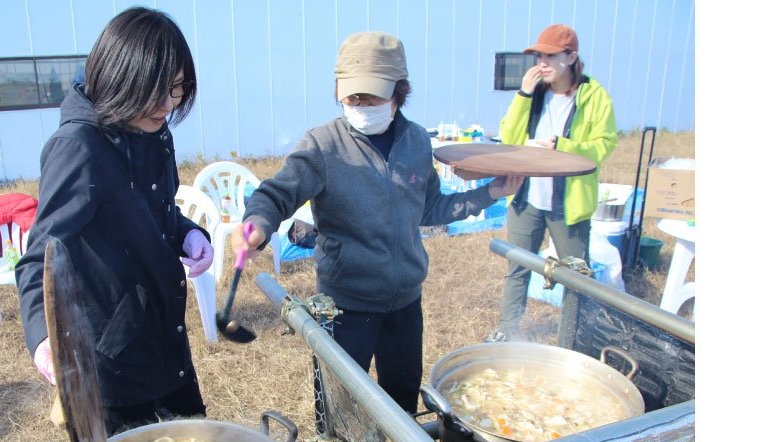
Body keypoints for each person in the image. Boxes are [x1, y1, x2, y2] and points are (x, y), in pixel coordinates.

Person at [229, 31, 522, 413]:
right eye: (352, 96)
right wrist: (259, 223)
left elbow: (430, 207)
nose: (361, 104)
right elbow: (275, 193)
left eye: (372, 95)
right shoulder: (323, 145)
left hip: (405, 303)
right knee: (338, 408)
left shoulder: (417, 141)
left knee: (401, 402)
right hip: (344, 305)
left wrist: (489, 194)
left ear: (399, 92)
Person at [15, 7, 214, 436]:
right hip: (113, 363)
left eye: (177, 90)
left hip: (165, 340)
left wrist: (189, 233)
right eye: (158, 91)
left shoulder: (153, 129)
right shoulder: (78, 148)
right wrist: (43, 337)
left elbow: (153, 210)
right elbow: (40, 257)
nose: (168, 105)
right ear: (122, 78)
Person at [489, 24, 618, 342]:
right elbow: (509, 137)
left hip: (568, 205)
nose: (541, 63)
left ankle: (571, 338)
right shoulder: (533, 94)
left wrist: (563, 146)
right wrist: (523, 95)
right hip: (526, 198)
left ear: (571, 57)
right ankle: (508, 332)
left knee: (575, 277)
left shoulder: (594, 96)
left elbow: (603, 146)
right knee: (517, 266)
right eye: (538, 56)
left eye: (549, 56)